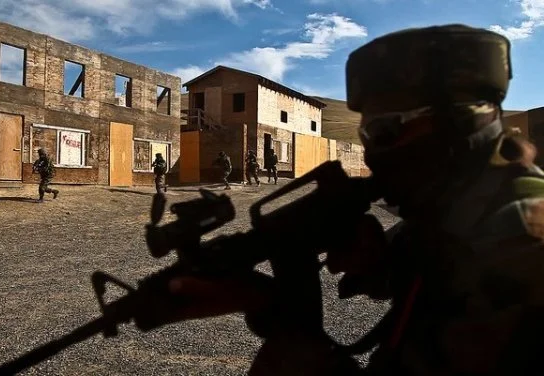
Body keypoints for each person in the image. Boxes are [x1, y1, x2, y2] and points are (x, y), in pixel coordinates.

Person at [164, 24, 544, 375]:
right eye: (365, 132)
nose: (371, 153)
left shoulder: (524, 242)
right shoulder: (453, 210)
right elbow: (432, 275)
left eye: (384, 129)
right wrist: (267, 299)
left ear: (460, 122)